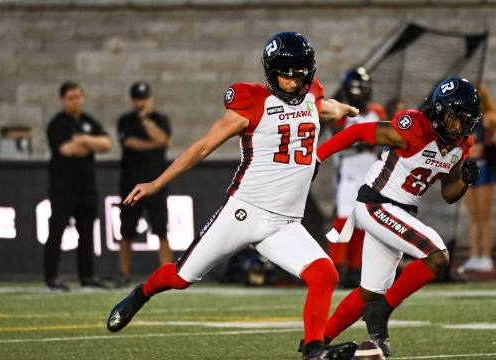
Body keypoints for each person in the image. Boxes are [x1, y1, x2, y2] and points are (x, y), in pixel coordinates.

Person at [106, 32, 360, 360]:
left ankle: (313, 350)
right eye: (287, 76)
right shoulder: (251, 102)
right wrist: (156, 183)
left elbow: (323, 107)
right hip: (244, 212)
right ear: (271, 73)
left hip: (284, 223)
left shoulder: (312, 94)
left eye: (301, 76)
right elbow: (202, 147)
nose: (295, 84)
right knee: (181, 277)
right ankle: (141, 293)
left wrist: (342, 109)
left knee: (325, 274)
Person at [315, 78, 482, 357]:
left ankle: (316, 343)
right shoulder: (415, 128)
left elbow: (449, 194)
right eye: (456, 119)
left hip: (399, 212)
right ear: (440, 112)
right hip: (377, 204)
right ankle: (380, 313)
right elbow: (359, 133)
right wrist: (317, 157)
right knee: (437, 255)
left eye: (468, 121)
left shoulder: (461, 145)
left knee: (369, 292)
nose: (461, 127)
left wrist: (464, 181)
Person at [45, 81, 111, 291]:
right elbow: (66, 149)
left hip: (87, 187)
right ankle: (52, 277)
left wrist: (83, 139)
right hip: (63, 188)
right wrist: (89, 144)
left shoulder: (88, 121)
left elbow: (106, 144)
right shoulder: (57, 124)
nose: (75, 101)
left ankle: (87, 277)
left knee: (87, 234)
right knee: (56, 232)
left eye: (78, 97)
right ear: (63, 100)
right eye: (70, 98)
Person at [328, 67, 385, 288]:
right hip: (348, 174)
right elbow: (338, 142)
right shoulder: (341, 113)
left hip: (370, 174)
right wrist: (364, 142)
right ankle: (334, 267)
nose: (361, 93)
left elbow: (384, 138)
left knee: (363, 224)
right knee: (343, 222)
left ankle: (354, 269)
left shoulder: (376, 112)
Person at [115, 81, 172, 288]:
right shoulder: (125, 121)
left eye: (144, 99)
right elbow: (130, 143)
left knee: (161, 231)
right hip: (131, 184)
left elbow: (164, 140)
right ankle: (124, 273)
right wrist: (153, 143)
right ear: (132, 100)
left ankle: (167, 274)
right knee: (127, 231)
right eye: (138, 99)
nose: (141, 103)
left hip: (156, 183)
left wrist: (146, 121)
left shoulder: (160, 119)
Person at [461, 85, 496, 272]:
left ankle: (486, 256)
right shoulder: (465, 119)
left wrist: (494, 146)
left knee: (484, 215)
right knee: (473, 217)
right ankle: (474, 255)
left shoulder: (488, 117)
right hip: (468, 169)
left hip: (485, 170)